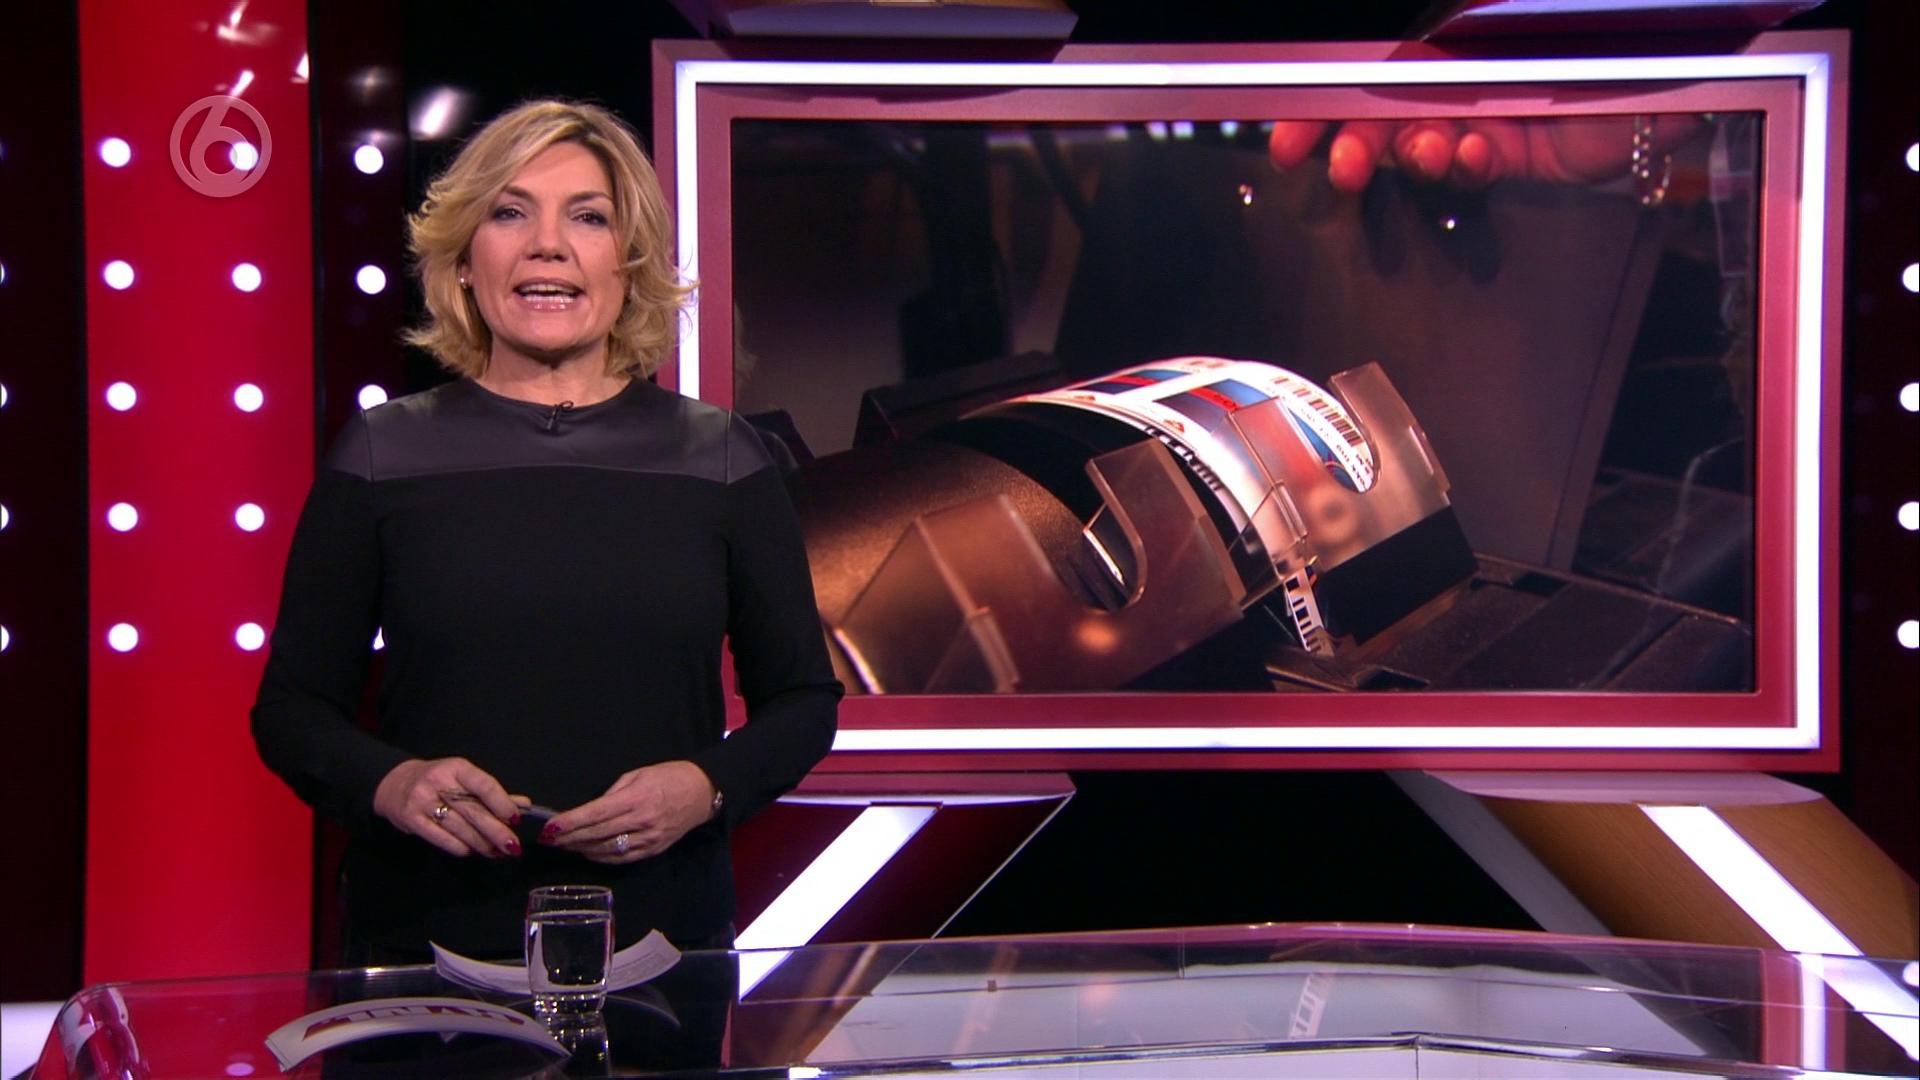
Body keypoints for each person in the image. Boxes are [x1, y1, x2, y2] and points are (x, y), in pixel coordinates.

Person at [252, 99, 842, 965]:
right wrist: (393, 782)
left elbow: (803, 704)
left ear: (629, 264)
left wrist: (705, 785)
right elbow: (293, 710)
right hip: (424, 946)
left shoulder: (720, 457)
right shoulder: (384, 454)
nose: (548, 245)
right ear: (464, 260)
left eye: (588, 217)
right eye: (509, 213)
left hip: (659, 945)